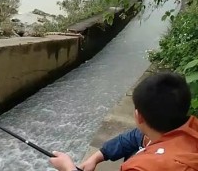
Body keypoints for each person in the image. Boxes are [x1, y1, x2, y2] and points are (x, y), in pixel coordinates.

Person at [49, 72, 198, 171]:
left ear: (139, 116)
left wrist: (68, 168)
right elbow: (135, 137)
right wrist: (97, 156)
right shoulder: (190, 128)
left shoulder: (142, 168)